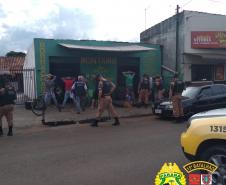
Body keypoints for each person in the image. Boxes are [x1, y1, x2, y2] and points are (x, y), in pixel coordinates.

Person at [0, 72, 16, 136]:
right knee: (10, 119)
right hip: (10, 105)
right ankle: (10, 132)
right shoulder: (11, 87)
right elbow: (15, 97)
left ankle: (0, 132)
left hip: (2, 105)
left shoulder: (1, 88)